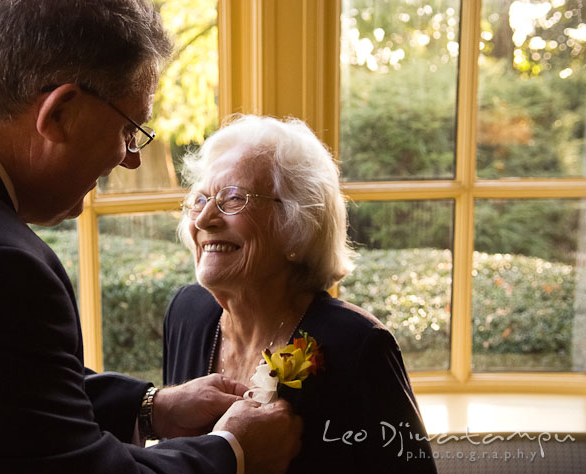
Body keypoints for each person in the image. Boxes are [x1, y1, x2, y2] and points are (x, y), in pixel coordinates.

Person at [0, 0, 302, 473]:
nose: (130, 158)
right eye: (131, 129)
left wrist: (149, 407)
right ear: (60, 113)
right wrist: (233, 453)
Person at [163, 114, 438, 473]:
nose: (203, 220)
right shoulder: (187, 313)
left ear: (296, 225)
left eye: (233, 198)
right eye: (200, 199)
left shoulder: (357, 346)